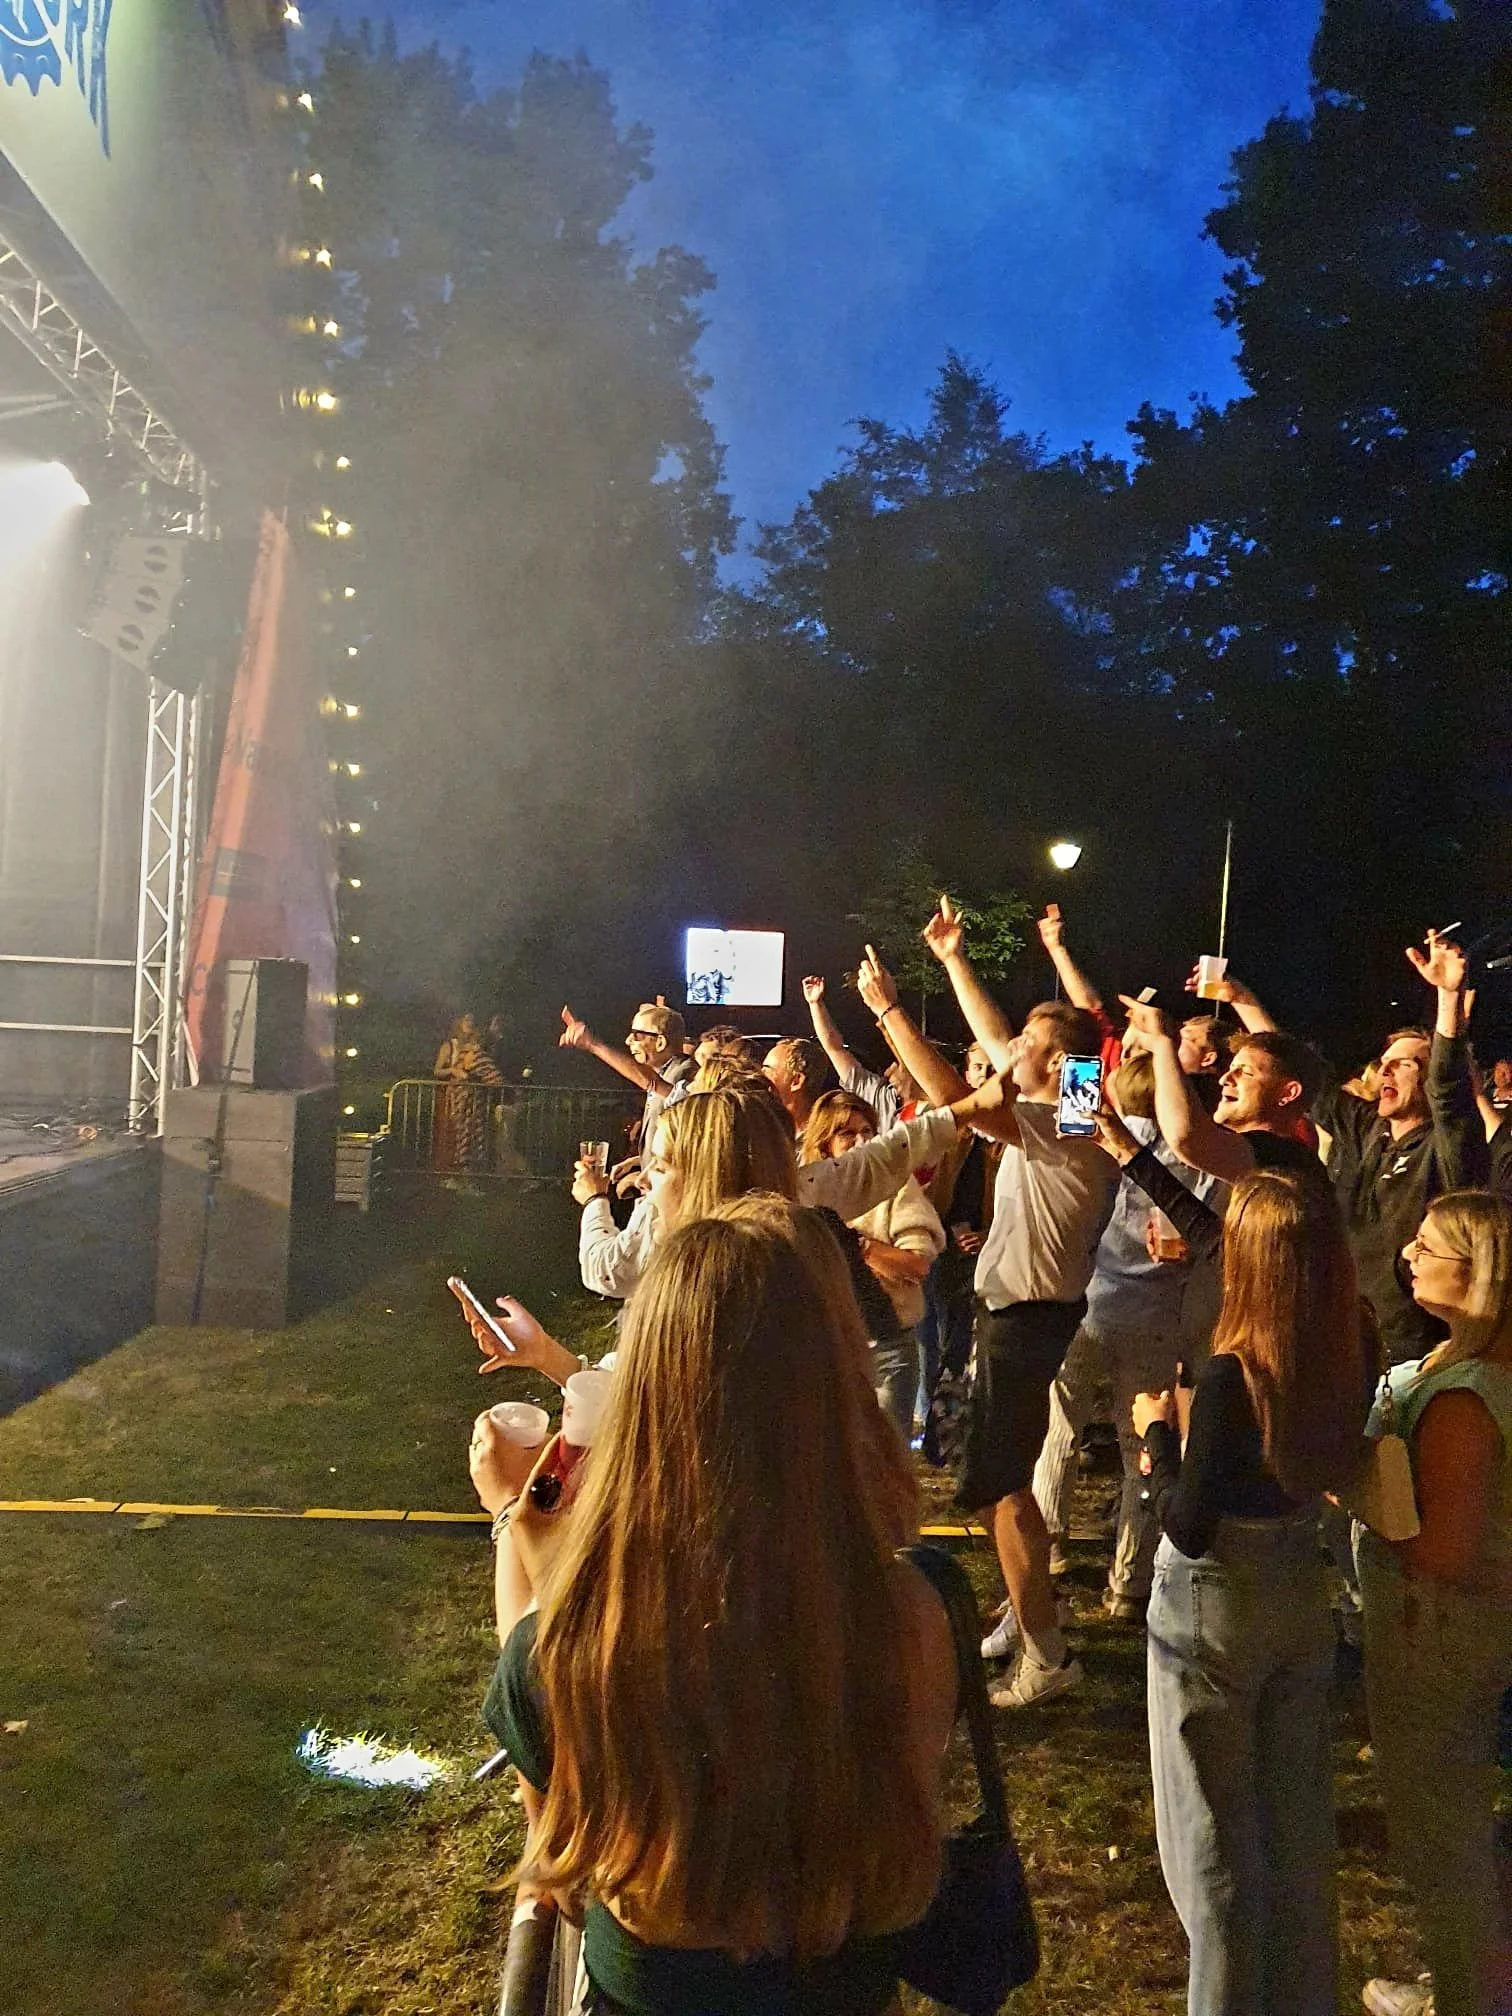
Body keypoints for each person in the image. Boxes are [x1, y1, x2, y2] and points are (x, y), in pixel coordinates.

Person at [467, 1196, 962, 2016]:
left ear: (647, 1393)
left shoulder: (577, 1639)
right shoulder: (914, 1610)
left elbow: (561, 1848)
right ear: (834, 1377)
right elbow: (900, 1825)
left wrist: (513, 1524)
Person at [1133, 1168, 1372, 2016]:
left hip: (1216, 1602)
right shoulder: (1350, 1342)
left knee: (1212, 1849)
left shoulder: (1236, 1376)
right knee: (1299, 1836)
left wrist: (1157, 1437)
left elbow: (1188, 1522)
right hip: (1299, 1592)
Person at [874, 897, 1121, 1709]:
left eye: (1027, 1046)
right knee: (997, 1482)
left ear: (1055, 1068)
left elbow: (953, 1089)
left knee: (996, 1486)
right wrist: (951, 961)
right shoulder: (1068, 1109)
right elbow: (1017, 1046)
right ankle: (1026, 1615)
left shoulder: (1068, 1126)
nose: (1007, 1050)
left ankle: (1046, 1655)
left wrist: (891, 1016)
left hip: (1025, 1321)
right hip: (1023, 1316)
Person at [1356, 1191, 1512, 2016]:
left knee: (1441, 1840)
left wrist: (1362, 1496)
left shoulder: (1462, 1399)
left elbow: (1444, 1551)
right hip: (1468, 1628)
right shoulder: (1462, 1367)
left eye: (1427, 1247)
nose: (1408, 1256)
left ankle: (1467, 1997)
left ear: (1477, 1273)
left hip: (1437, 1634)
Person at [1198, 933, 1487, 1362]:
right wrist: (1242, 1000)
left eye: (1405, 1064)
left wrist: (1447, 999)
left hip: (1411, 1344)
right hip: (1342, 1330)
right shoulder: (1368, 1130)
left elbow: (1449, 1091)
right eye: (1383, 1062)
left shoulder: (1447, 1145)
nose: (1385, 1069)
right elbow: (1303, 1078)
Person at [1028, 1051, 1223, 1628]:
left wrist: (1078, 1060)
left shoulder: (1111, 1134)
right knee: (1141, 1442)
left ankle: (1048, 1552)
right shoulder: (1203, 1154)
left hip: (1088, 1303)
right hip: (1158, 1318)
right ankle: (1128, 1583)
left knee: (1058, 1431)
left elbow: (1072, 1120)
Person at [800, 1090, 945, 1439]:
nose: (861, 1140)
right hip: (825, 1347)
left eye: (868, 1131)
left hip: (884, 1349)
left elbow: (917, 1266)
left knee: (886, 1469)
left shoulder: (896, 1188)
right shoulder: (805, 1189)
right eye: (847, 1133)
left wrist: (856, 1243)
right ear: (824, 1144)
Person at [559, 998, 696, 1142]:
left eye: (636, 1035)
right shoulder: (666, 1072)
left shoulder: (684, 1072)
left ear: (660, 1042)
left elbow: (652, 1083)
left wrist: (593, 1045)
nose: (628, 1041)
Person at [432, 1013, 504, 1171]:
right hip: (457, 1095)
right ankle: (455, 1172)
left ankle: (466, 1172)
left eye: (472, 1020)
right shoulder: (451, 1046)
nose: (470, 1023)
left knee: (472, 1135)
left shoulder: (475, 1048)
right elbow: (437, 1070)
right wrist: (453, 1070)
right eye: (466, 1020)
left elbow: (486, 1068)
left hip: (474, 1096)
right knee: (458, 1134)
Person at [761, 1036, 832, 1135]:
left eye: (767, 1071)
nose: (759, 1076)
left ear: (796, 1081)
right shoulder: (761, 1130)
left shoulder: (824, 1139)